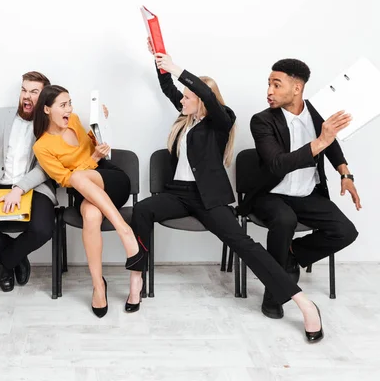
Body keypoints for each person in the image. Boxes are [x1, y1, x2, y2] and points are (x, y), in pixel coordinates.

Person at [130, 39, 324, 342]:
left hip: (208, 198)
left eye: (188, 97)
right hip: (178, 194)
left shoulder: (221, 121)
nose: (182, 101)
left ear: (202, 101)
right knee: (142, 210)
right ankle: (136, 279)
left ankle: (303, 303)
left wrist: (177, 67)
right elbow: (171, 89)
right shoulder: (186, 119)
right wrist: (159, 60)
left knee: (244, 245)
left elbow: (205, 93)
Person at [240, 58, 360, 319]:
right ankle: (273, 293)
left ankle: (292, 255)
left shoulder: (318, 113)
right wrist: (320, 142)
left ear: (297, 88)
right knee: (285, 220)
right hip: (271, 194)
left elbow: (333, 144)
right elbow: (276, 164)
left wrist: (345, 173)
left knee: (346, 231)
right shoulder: (261, 121)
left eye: (276, 84)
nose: (269, 91)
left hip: (307, 194)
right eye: (268, 84)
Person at [32, 85, 146, 318]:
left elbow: (90, 146)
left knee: (78, 175)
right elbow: (65, 180)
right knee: (91, 214)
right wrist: (92, 158)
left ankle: (125, 231)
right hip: (84, 190)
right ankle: (98, 286)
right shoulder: (41, 146)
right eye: (63, 105)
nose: (69, 109)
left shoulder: (73, 120)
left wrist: (100, 127)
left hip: (111, 179)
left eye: (70, 103)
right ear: (46, 109)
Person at [0, 71, 57, 292]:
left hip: (34, 187)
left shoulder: (51, 124)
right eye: (24, 90)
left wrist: (19, 188)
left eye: (34, 92)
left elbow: (45, 166)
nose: (26, 96)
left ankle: (6, 261)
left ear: (44, 97)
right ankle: (16, 254)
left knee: (44, 229)